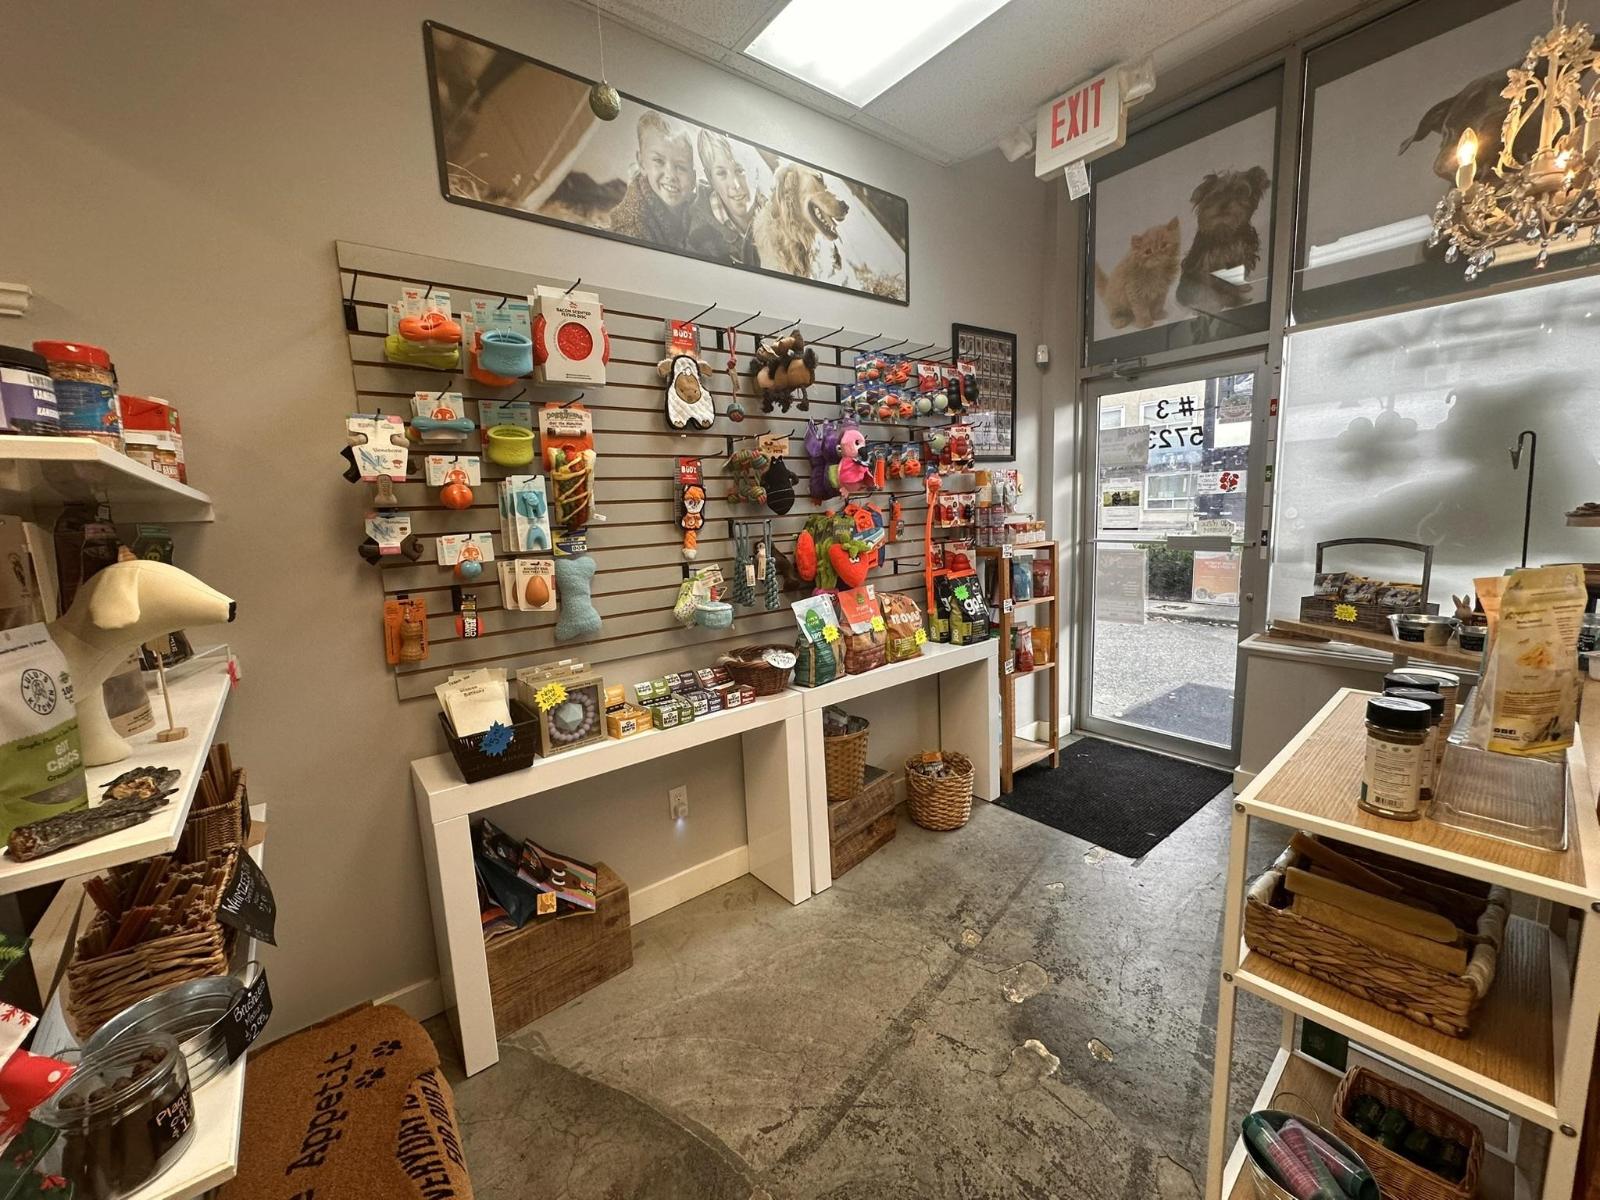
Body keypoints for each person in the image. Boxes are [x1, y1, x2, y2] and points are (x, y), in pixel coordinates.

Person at [607, 110, 694, 247]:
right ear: (641, 163)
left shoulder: (697, 209)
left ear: (693, 176)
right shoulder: (633, 227)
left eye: (681, 166)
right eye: (659, 161)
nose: (671, 175)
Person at [686, 130, 758, 266]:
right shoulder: (699, 237)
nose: (735, 185)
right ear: (710, 178)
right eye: (721, 173)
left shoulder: (776, 214)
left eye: (740, 170)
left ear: (755, 170)